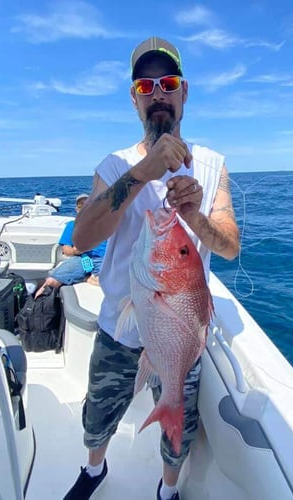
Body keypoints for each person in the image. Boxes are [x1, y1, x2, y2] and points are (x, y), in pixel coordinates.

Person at [63, 36, 240, 500]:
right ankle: (94, 468)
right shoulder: (114, 164)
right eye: (146, 84)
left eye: (168, 82)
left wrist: (196, 216)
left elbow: (230, 247)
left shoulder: (212, 165)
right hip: (120, 330)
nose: (158, 92)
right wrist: (144, 170)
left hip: (181, 329)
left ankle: (167, 488)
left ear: (184, 92)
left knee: (177, 428)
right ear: (135, 98)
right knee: (98, 417)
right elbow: (81, 239)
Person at [35, 193, 106, 298]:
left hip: (104, 259)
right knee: (50, 282)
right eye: (81, 206)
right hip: (83, 259)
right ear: (76, 209)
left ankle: (86, 277)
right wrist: (76, 250)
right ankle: (33, 308)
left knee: (105, 282)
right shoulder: (71, 226)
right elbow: (66, 250)